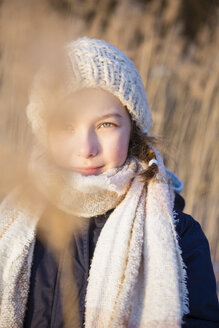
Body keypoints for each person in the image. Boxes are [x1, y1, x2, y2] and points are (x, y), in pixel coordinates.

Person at [0, 37, 218, 328]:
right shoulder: (11, 226)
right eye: (66, 126)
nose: (86, 148)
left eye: (106, 125)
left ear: (133, 130)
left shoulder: (179, 235)